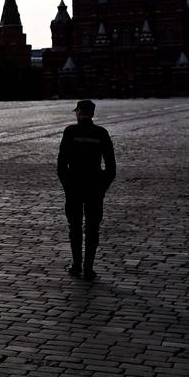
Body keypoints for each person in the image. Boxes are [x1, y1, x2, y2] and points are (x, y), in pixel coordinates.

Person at [57, 99, 116, 281]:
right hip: (94, 187)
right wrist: (102, 187)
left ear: (80, 112)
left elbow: (61, 164)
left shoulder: (70, 131)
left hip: (74, 185)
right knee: (92, 229)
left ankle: (76, 265)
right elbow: (111, 168)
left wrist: (67, 184)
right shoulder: (101, 133)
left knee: (74, 227)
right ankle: (89, 268)